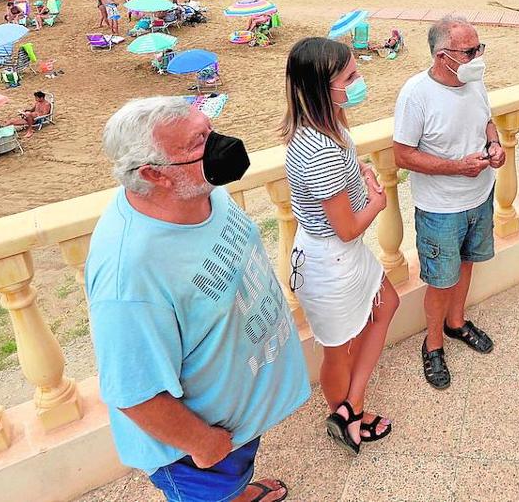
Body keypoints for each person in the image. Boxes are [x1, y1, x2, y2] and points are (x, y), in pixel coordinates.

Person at [86, 97, 307, 502]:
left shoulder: (199, 190)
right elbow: (134, 394)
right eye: (199, 142)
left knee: (233, 484)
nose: (220, 144)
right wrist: (204, 445)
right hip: (193, 454)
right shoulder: (130, 278)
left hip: (234, 424)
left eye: (209, 129)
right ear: (155, 174)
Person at [281, 38, 399, 454]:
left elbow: (338, 178)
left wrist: (359, 171)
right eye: (349, 77)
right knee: (338, 348)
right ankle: (348, 414)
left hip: (339, 254)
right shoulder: (318, 148)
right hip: (330, 259)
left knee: (386, 305)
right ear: (320, 87)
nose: (358, 81)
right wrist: (379, 203)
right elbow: (347, 228)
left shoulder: (327, 122)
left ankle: (350, 406)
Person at [393, 16, 505, 390]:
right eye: (470, 51)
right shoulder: (416, 94)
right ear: (444, 56)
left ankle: (456, 323)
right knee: (441, 281)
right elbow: (403, 156)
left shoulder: (474, 81)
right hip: (441, 209)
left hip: (480, 197)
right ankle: (434, 344)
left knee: (468, 264)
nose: (479, 57)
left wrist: (494, 143)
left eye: (479, 48)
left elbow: (486, 120)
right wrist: (457, 168)